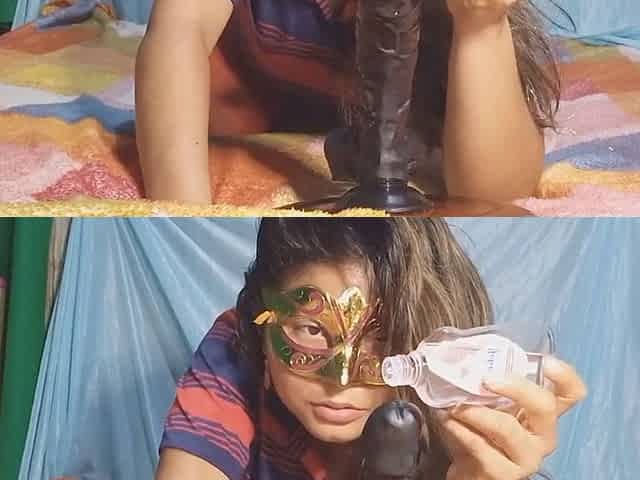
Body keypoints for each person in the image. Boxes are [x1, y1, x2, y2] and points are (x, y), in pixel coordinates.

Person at [155, 218, 587, 480]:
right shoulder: (238, 344)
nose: (340, 380)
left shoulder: (453, 394)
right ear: (262, 325)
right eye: (311, 330)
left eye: (382, 339)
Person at [135, 0, 564, 204]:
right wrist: (185, 207)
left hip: (401, 94)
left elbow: (496, 191)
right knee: (218, 113)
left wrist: (480, 27)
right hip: (253, 79)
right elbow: (182, 24)